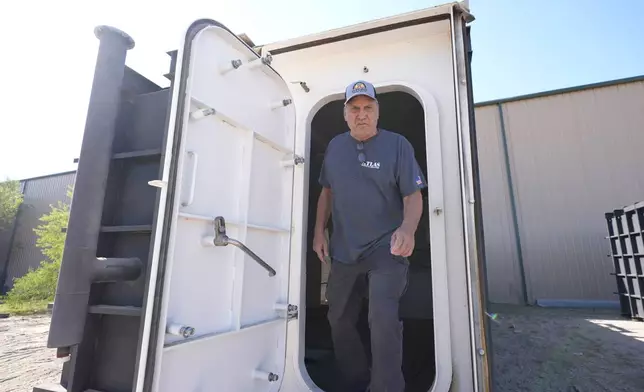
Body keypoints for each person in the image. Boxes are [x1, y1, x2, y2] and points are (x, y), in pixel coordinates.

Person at [313, 80, 427, 392]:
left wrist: (407, 229)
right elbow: (327, 191)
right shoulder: (336, 147)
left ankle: (386, 387)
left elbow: (413, 196)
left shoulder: (397, 145)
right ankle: (356, 380)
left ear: (377, 112)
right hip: (344, 250)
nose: (361, 114)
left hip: (385, 246)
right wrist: (318, 231)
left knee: (382, 317)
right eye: (354, 108)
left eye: (368, 108)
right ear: (345, 114)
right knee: (338, 318)